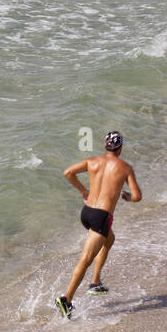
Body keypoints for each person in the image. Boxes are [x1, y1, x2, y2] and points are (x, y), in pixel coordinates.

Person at [54, 130, 141, 318]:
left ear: (105, 146)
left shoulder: (92, 162)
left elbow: (68, 172)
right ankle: (66, 299)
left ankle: (95, 282)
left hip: (87, 213)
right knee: (85, 260)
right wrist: (127, 197)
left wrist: (83, 191)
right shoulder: (125, 168)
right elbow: (137, 196)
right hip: (102, 216)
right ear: (120, 148)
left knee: (109, 240)